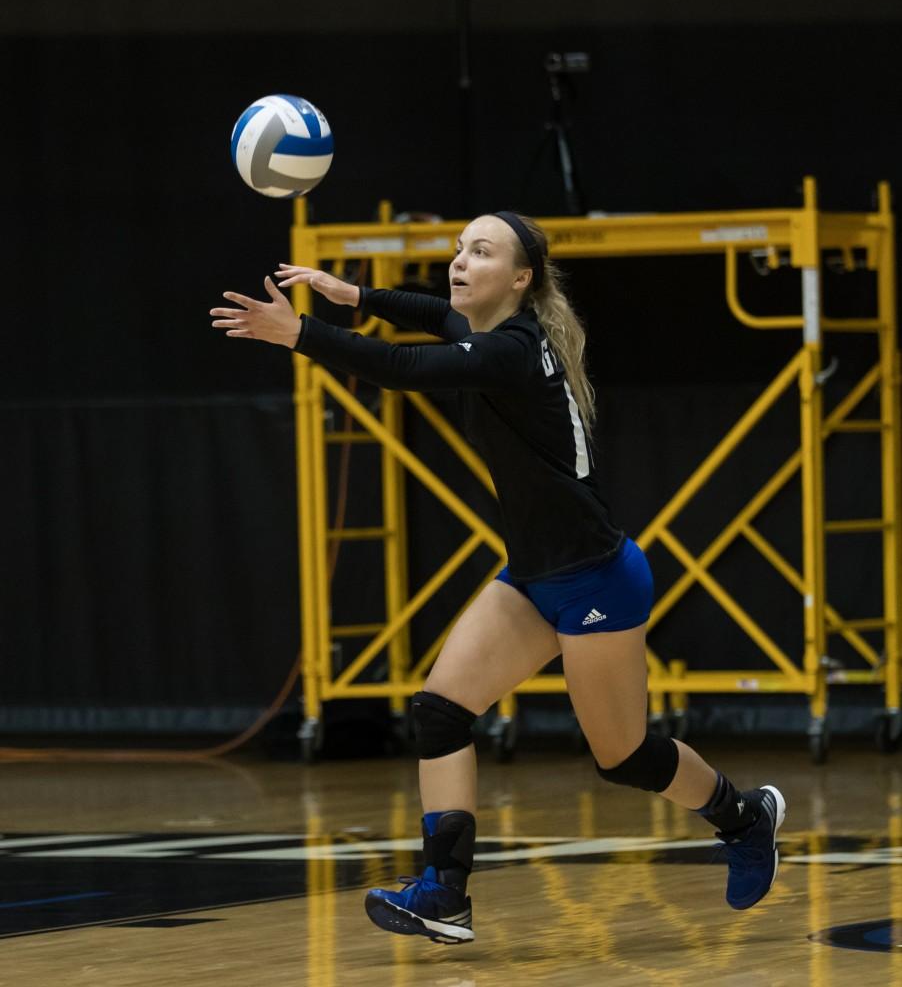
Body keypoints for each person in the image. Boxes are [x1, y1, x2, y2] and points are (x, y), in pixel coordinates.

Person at [210, 211, 786, 945]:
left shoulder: (514, 351)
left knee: (626, 757)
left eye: (480, 253)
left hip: (595, 583)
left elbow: (406, 369)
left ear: (522, 279)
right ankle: (445, 894)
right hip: (535, 576)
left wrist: (302, 333)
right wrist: (352, 295)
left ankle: (745, 819)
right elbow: (432, 314)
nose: (459, 262)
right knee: (441, 710)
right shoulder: (488, 332)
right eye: (458, 249)